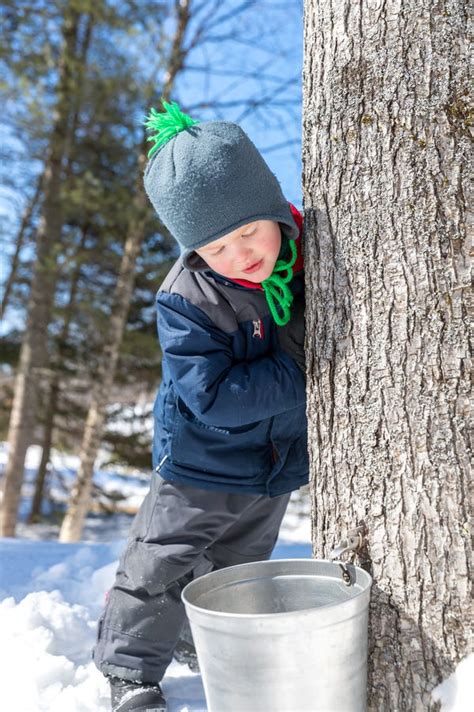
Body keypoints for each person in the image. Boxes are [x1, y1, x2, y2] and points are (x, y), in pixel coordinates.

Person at [93, 99, 307, 712]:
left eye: (248, 231)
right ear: (192, 253)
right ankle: (129, 669)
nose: (240, 255)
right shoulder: (186, 300)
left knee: (235, 568)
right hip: (199, 463)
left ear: (274, 212)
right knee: (161, 564)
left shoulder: (303, 261)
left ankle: (199, 642)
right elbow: (208, 391)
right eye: (216, 248)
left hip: (273, 466)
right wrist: (299, 373)